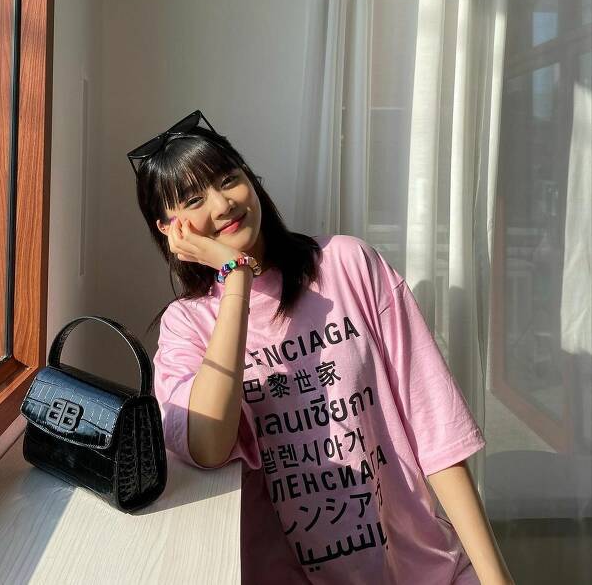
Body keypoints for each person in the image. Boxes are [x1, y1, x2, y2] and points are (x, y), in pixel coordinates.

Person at [128, 112, 514, 585]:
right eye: (193, 200)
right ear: (170, 229)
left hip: (425, 571)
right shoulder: (186, 326)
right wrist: (235, 278)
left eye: (229, 179)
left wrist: (496, 578)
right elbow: (208, 445)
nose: (223, 203)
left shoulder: (349, 264)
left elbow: (438, 433)